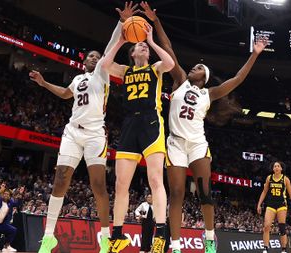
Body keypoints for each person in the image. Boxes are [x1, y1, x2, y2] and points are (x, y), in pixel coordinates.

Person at [139, 2, 267, 253]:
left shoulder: (209, 93)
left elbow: (237, 79)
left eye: (198, 68)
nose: (193, 67)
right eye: (194, 66)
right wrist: (156, 21)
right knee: (176, 195)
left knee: (205, 194)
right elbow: (168, 48)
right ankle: (175, 246)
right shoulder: (178, 81)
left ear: (204, 77)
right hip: (175, 142)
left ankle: (210, 239)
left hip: (197, 144)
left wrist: (255, 53)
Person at [29, 3, 138, 253]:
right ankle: (49, 237)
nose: (96, 59)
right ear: (84, 60)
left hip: (94, 135)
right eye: (92, 56)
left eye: (99, 57)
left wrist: (122, 23)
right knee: (60, 180)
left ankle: (104, 237)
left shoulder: (102, 73)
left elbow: (111, 45)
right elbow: (66, 95)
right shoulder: (78, 79)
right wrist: (45, 83)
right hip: (72, 131)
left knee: (98, 185)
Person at [101, 15, 175, 253]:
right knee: (121, 183)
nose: (142, 46)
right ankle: (118, 235)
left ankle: (161, 233)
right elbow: (104, 64)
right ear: (133, 53)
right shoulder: (125, 71)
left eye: (145, 47)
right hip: (130, 125)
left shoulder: (156, 68)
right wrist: (121, 41)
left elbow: (171, 64)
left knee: (155, 180)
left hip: (151, 122)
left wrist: (152, 41)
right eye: (139, 45)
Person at [257, 161, 291, 253]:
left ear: (281, 168)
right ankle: (265, 247)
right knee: (267, 226)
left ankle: (284, 249)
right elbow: (264, 192)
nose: (276, 167)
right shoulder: (269, 178)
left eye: (278, 166)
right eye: (275, 166)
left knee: (282, 227)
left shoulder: (285, 179)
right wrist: (259, 204)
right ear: (273, 169)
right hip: (270, 204)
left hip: (281, 205)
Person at [0, 183, 24, 252]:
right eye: (4, 193)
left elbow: (18, 204)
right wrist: (0, 190)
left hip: (1, 224)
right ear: (2, 194)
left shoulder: (10, 202)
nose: (6, 195)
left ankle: (6, 246)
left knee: (13, 229)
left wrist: (20, 194)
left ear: (9, 196)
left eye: (8, 194)